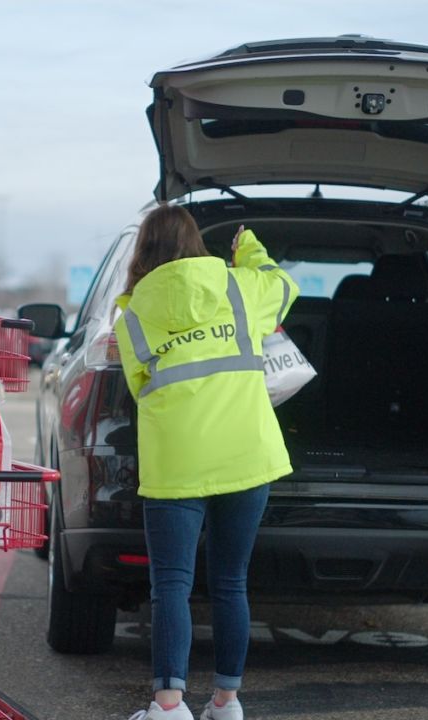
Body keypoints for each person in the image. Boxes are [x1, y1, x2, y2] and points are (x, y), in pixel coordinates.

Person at [113, 204, 298, 720]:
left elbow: (138, 387)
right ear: (196, 244)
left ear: (142, 252)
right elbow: (283, 284)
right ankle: (226, 702)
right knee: (231, 580)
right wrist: (250, 252)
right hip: (246, 453)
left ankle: (169, 707)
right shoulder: (240, 288)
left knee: (171, 582)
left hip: (176, 461)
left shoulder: (131, 318)